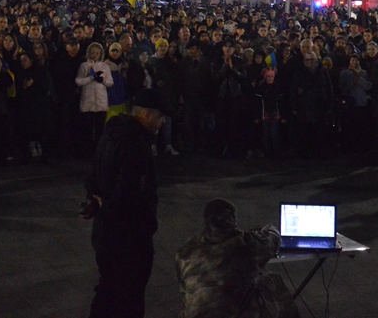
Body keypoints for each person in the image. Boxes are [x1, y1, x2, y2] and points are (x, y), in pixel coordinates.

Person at [79, 89, 167, 318]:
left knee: (107, 289)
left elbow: (93, 177)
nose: (163, 122)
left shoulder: (111, 134)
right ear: (147, 114)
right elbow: (129, 194)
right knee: (129, 298)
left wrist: (95, 203)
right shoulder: (136, 145)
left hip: (105, 236)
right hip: (129, 237)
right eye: (160, 116)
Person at [175, 198, 299, 318]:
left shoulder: (184, 251)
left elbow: (184, 289)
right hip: (239, 313)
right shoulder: (243, 242)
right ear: (230, 217)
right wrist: (269, 229)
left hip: (195, 314)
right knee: (274, 279)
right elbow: (273, 241)